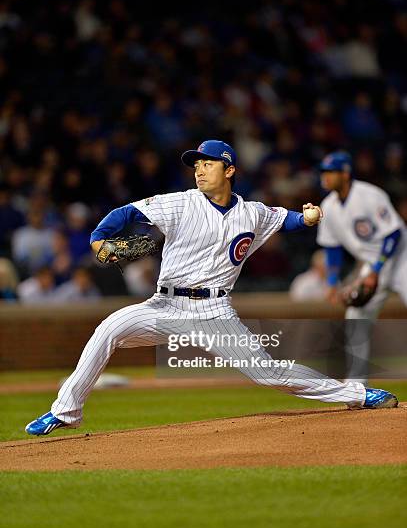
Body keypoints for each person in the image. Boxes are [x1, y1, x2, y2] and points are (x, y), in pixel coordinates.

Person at [25, 140, 398, 436]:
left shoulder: (253, 212)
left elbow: (290, 220)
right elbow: (125, 214)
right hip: (164, 307)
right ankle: (66, 411)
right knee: (109, 328)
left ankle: (358, 394)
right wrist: (97, 240)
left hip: (215, 313)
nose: (199, 169)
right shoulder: (181, 204)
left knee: (270, 374)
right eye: (196, 164)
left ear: (229, 169)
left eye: (208, 163)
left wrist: (311, 217)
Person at [317, 151, 407, 384]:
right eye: (323, 172)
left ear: (345, 174)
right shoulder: (327, 206)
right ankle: (356, 385)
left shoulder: (369, 195)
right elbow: (332, 248)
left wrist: (377, 269)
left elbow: (394, 233)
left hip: (401, 259)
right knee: (356, 317)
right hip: (371, 265)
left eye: (331, 172)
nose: (325, 177)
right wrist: (331, 281)